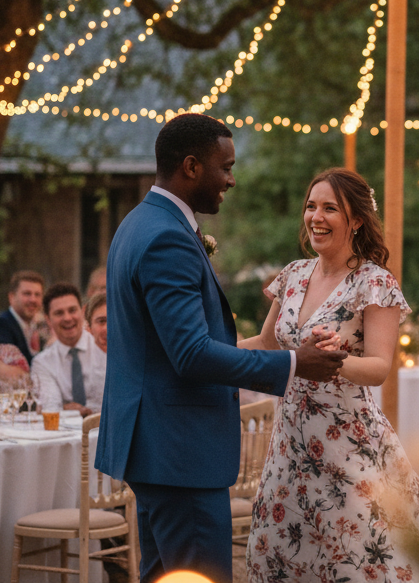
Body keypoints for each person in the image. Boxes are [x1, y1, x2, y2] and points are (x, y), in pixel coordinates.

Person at [94, 113, 345, 583]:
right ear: (191, 166)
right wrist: (295, 363)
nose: (231, 179)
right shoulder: (167, 237)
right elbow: (191, 354)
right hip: (181, 453)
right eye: (224, 167)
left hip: (156, 449)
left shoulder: (138, 222)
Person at [242, 168, 419, 582]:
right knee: (284, 552)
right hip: (289, 445)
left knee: (363, 553)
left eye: (330, 208)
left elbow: (379, 367)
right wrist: (205, 352)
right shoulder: (293, 274)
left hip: (347, 442)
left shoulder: (374, 282)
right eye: (311, 206)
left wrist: (333, 359)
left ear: (356, 221)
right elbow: (266, 344)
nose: (316, 216)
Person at [31, 284, 106, 417]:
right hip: (65, 434)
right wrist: (65, 409)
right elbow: (50, 408)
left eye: (72, 310)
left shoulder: (103, 346)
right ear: (48, 319)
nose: (67, 318)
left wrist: (64, 408)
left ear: (82, 312)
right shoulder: (43, 362)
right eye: (59, 313)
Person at [0, 270, 45, 365]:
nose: (33, 299)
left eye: (37, 295)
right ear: (11, 297)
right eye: (27, 294)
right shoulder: (2, 324)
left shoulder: (41, 325)